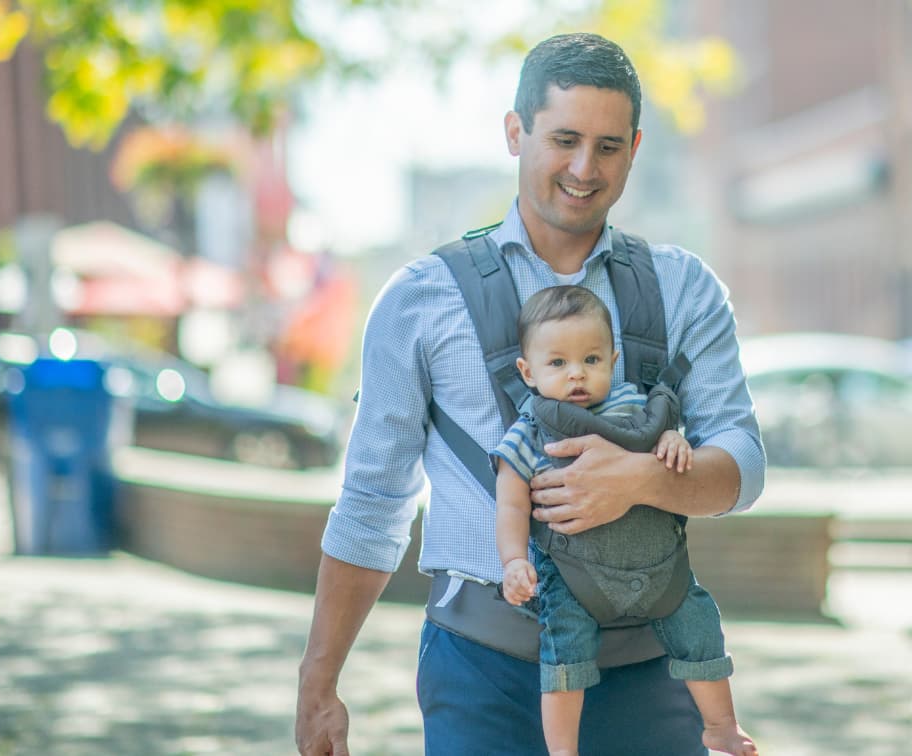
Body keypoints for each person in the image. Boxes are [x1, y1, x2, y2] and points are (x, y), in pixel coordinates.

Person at [294, 32, 765, 756]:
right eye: (564, 140)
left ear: (635, 149)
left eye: (608, 147)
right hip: (480, 673)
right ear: (516, 132)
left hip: (649, 671)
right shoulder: (421, 299)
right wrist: (319, 681)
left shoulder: (683, 287)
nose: (584, 168)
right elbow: (373, 502)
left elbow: (744, 465)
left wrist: (642, 479)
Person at [494, 285, 756, 756]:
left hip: (661, 570)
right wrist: (514, 561)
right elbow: (510, 503)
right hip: (573, 577)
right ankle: (563, 750)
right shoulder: (529, 431)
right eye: (558, 363)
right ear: (527, 372)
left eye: (591, 360)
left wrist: (674, 445)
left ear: (613, 361)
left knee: (700, 627)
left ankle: (721, 725)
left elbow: (669, 448)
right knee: (564, 654)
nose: (577, 373)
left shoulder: (639, 408)